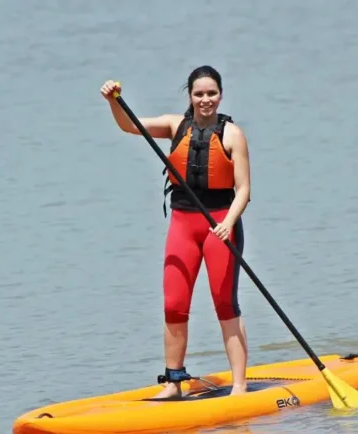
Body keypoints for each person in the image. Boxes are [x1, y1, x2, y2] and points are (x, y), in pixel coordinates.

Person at [99, 65, 251, 398]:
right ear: (190, 96)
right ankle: (174, 383)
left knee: (225, 305)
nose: (206, 99)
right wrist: (114, 101)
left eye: (212, 93)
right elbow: (130, 125)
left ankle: (239, 387)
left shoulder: (232, 135)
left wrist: (228, 223)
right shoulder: (174, 125)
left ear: (220, 95)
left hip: (220, 225)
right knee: (174, 304)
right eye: (199, 94)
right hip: (183, 225)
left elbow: (244, 190)